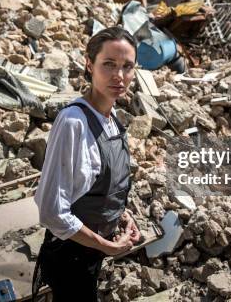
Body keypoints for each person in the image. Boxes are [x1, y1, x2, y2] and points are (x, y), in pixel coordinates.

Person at [32, 27, 142, 301]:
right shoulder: (73, 123)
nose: (119, 75)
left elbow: (97, 185)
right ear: (89, 65)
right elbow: (51, 212)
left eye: (127, 66)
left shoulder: (112, 117)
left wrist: (121, 215)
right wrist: (106, 245)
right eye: (109, 64)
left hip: (93, 250)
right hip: (70, 256)